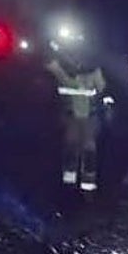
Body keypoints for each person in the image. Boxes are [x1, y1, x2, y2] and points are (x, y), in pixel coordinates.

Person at [46, 40, 106, 192]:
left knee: (87, 149)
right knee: (74, 148)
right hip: (74, 117)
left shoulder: (91, 72)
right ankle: (71, 183)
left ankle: (85, 185)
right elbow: (51, 67)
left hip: (87, 117)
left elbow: (101, 89)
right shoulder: (63, 71)